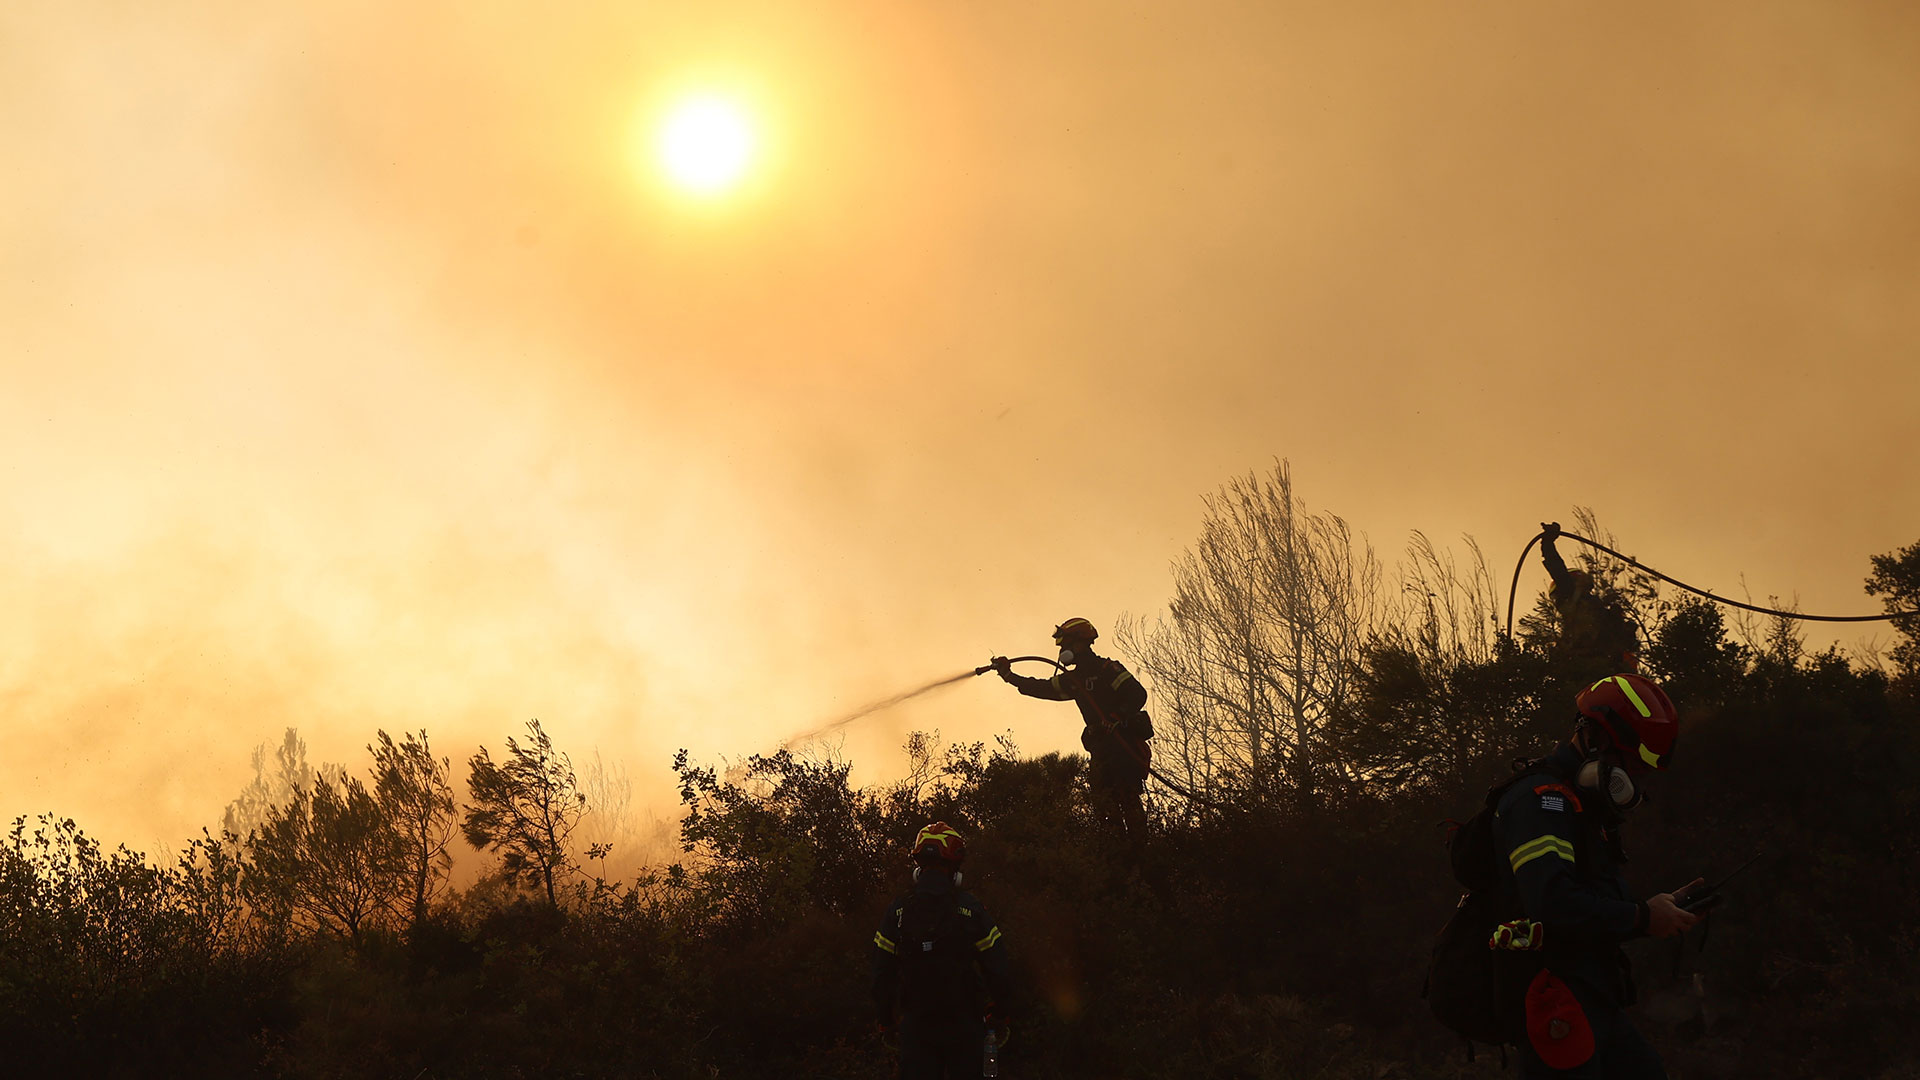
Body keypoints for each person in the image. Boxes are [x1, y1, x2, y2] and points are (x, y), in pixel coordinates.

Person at [1495, 672, 1703, 1078]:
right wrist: (1641, 917)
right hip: (1555, 998)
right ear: (1595, 739)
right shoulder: (1541, 803)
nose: (1635, 787)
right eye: (1633, 768)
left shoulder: (1580, 806)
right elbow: (1552, 905)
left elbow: (1588, 898)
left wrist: (1655, 910)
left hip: (1592, 996)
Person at [990, 618, 1153, 844]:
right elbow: (1042, 688)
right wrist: (1009, 676)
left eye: (1065, 645)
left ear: (1080, 644)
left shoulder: (1108, 670)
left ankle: (1143, 855)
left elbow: (1138, 695)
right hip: (1101, 751)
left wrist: (1117, 716)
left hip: (1123, 748)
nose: (1062, 651)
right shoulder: (1074, 680)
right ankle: (1115, 859)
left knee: (1129, 804)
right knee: (1104, 807)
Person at [871, 822, 1013, 1079]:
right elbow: (998, 969)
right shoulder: (971, 909)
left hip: (916, 1029)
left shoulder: (898, 911)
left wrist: (886, 1020)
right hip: (966, 1027)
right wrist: (999, 1014)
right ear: (955, 869)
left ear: (918, 867)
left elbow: (882, 973)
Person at [1539, 522, 1642, 679]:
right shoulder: (1573, 600)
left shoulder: (1585, 605)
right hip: (1602, 663)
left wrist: (1621, 624)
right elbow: (1557, 568)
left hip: (1604, 664)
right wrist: (1547, 543)